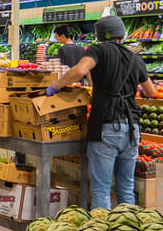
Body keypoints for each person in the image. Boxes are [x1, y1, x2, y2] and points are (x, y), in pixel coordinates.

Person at [44, 15, 155, 211]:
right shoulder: (134, 58)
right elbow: (151, 92)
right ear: (123, 35)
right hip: (132, 128)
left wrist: (56, 85)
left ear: (100, 35)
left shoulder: (98, 50)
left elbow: (80, 71)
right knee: (126, 187)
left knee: (102, 188)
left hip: (106, 126)